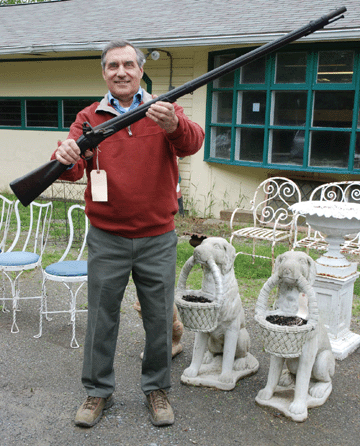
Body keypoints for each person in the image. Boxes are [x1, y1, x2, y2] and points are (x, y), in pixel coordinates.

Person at [52, 39, 204, 427]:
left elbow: (191, 143)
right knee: (102, 318)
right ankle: (96, 392)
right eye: (112, 65)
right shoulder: (88, 117)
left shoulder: (163, 109)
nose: (121, 71)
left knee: (158, 320)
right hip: (107, 237)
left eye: (128, 65)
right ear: (104, 72)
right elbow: (70, 171)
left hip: (158, 236)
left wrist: (174, 124)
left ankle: (156, 390)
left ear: (140, 70)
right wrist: (66, 154)